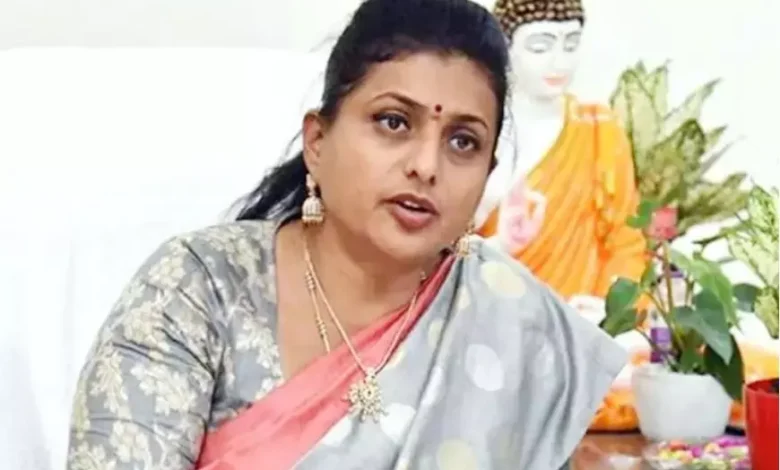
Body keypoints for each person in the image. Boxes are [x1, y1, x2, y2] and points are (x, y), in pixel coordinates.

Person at [66, 0, 627, 468]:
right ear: (317, 141)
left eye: (463, 142)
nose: (426, 165)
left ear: (487, 173)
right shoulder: (200, 288)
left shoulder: (515, 325)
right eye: (393, 122)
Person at [479, 0, 648, 432]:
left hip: (584, 323)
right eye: (540, 47)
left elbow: (625, 240)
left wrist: (613, 309)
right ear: (505, 48)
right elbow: (448, 251)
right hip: (499, 324)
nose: (560, 62)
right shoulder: (482, 129)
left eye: (570, 44)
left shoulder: (598, 127)